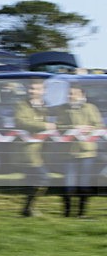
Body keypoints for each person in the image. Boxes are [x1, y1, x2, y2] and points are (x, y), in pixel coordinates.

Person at [55, 84, 103, 217]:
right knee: (68, 184)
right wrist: (74, 127)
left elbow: (99, 125)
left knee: (84, 184)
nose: (71, 96)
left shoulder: (91, 108)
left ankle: (81, 213)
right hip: (69, 152)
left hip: (87, 152)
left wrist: (89, 128)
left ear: (82, 95)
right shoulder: (63, 109)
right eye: (70, 93)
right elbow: (59, 126)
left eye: (74, 94)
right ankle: (67, 212)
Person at [14, 79, 54, 217]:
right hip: (29, 150)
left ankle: (27, 208)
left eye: (36, 89)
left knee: (33, 180)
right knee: (43, 177)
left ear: (43, 91)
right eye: (31, 88)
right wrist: (44, 126)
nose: (33, 91)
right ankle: (30, 206)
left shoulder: (46, 106)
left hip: (45, 149)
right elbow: (21, 121)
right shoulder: (21, 105)